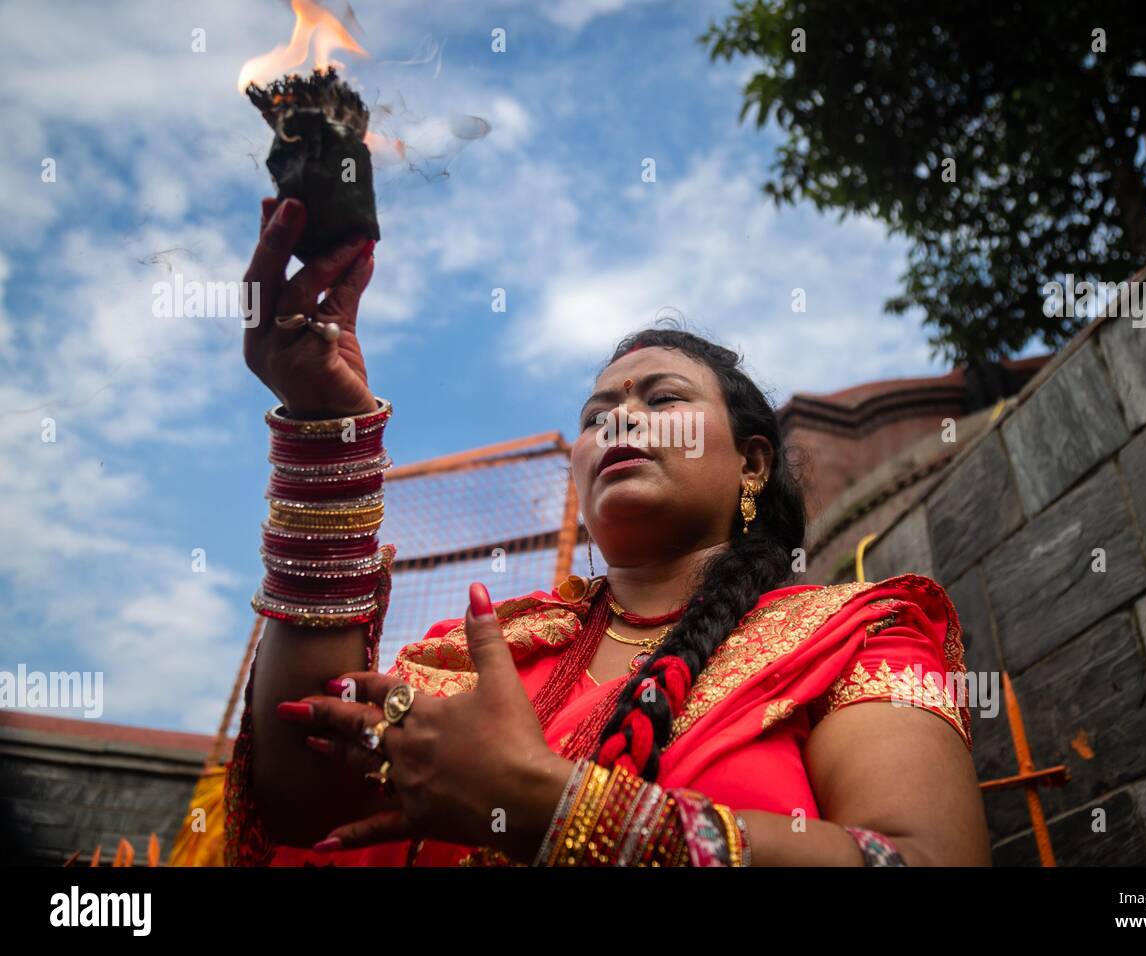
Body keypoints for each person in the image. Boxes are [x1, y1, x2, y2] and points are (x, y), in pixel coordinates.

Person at [226, 196, 992, 867]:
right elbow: (303, 796)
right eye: (597, 417)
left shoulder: (855, 637)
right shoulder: (488, 652)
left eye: (662, 399)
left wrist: (551, 807)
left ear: (752, 464)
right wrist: (325, 428)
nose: (619, 419)